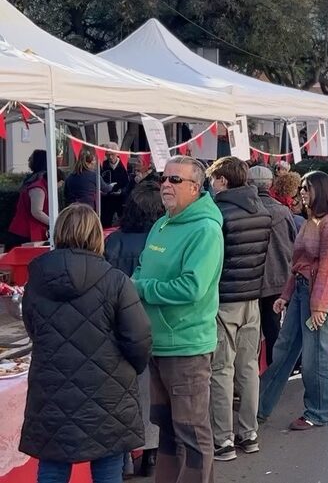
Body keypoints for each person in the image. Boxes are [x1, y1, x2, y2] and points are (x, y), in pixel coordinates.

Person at [21, 204, 152, 483]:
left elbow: (33, 329)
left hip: (51, 388)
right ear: (96, 235)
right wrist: (131, 368)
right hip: (109, 389)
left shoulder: (36, 280)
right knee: (107, 467)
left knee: (53, 466)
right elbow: (139, 338)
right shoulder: (116, 280)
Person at [133, 155, 223, 483]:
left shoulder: (205, 230)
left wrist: (141, 288)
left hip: (186, 347)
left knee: (193, 434)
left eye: (175, 180)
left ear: (195, 188)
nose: (166, 186)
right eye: (164, 178)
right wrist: (139, 282)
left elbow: (192, 287)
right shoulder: (162, 223)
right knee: (166, 428)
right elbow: (143, 266)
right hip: (156, 344)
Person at [258, 171, 328, 431]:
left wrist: (319, 306)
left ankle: (318, 411)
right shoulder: (312, 221)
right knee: (284, 350)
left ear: (321, 190)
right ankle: (260, 406)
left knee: (314, 357)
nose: (303, 192)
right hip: (300, 293)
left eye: (307, 188)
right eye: (302, 187)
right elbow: (298, 265)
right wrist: (285, 296)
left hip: (315, 295)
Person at [204, 156, 272, 462]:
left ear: (222, 180)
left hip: (225, 299)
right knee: (248, 369)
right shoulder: (262, 210)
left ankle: (224, 440)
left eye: (213, 178)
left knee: (221, 370)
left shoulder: (219, 214)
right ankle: (250, 433)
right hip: (251, 299)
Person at [104, 181, 164, 477]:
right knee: (151, 388)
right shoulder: (160, 241)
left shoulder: (114, 242)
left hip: (116, 323)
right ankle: (152, 453)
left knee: (122, 392)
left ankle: (125, 456)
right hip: (153, 320)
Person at [247, 165, 297, 367]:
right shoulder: (283, 211)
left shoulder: (245, 210)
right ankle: (274, 369)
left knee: (250, 329)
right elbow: (294, 241)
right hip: (277, 276)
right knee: (273, 325)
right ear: (271, 184)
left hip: (249, 277)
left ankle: (250, 373)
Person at [5, 149, 50, 248]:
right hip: (27, 231)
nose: (28, 159)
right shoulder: (38, 183)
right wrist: (55, 222)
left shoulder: (32, 180)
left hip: (22, 229)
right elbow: (37, 212)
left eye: (31, 158)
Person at [100, 142, 130, 227]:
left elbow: (129, 183)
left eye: (112, 154)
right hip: (107, 199)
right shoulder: (103, 165)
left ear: (117, 153)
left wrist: (122, 191)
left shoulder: (126, 165)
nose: (110, 157)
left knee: (124, 222)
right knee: (105, 223)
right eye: (107, 155)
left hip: (121, 199)